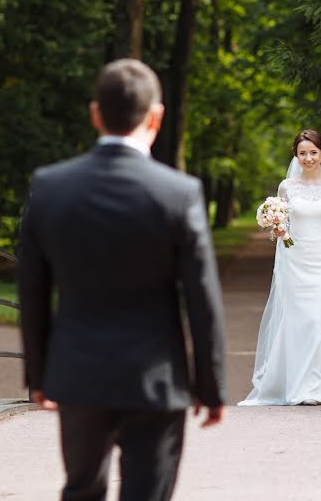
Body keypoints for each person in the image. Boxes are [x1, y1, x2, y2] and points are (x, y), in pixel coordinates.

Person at [18, 58, 226, 501]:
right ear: (157, 116)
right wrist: (210, 386)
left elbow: (32, 291)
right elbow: (202, 297)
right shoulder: (179, 192)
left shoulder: (50, 187)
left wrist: (39, 375)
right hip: (156, 380)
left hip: (78, 375)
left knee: (81, 491)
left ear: (96, 114)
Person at [239, 129, 321, 406]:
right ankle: (297, 385)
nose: (308, 158)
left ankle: (316, 386)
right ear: (296, 155)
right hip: (295, 262)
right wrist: (278, 228)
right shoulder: (287, 187)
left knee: (317, 319)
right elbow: (285, 227)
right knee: (298, 322)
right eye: (303, 153)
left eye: (313, 152)